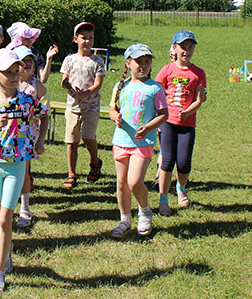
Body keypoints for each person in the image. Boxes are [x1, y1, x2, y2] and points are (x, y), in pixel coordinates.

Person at [0, 49, 47, 293]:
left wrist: (39, 141)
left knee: (5, 218)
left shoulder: (27, 101)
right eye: (9, 72)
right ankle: (6, 251)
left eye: (17, 71)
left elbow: (44, 115)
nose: (15, 76)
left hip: (17, 165)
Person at [107, 44, 169, 238]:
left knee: (134, 182)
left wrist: (149, 127)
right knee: (121, 183)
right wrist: (115, 117)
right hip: (121, 141)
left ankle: (144, 212)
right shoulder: (120, 86)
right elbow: (112, 109)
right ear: (128, 63)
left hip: (143, 143)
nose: (143, 65)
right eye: (138, 61)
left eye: (147, 61)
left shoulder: (155, 88)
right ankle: (125, 220)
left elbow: (164, 114)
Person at [154, 30, 207, 214]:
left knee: (184, 162)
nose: (187, 51)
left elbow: (199, 99)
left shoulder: (198, 73)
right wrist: (158, 118)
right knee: (167, 160)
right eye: (183, 47)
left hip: (187, 124)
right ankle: (163, 199)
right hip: (167, 122)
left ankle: (181, 188)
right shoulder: (167, 70)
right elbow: (156, 93)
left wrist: (188, 112)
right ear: (174, 48)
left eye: (190, 47)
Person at [59, 21, 106, 188]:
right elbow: (65, 79)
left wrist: (87, 93)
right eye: (83, 38)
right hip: (73, 107)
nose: (87, 41)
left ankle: (95, 161)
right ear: (75, 39)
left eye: (90, 38)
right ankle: (71, 174)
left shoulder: (97, 61)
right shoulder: (69, 60)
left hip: (91, 107)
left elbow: (98, 84)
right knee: (71, 141)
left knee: (87, 136)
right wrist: (65, 83)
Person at [13, 45, 50, 228]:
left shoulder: (37, 86)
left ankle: (25, 208)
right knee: (11, 170)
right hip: (8, 134)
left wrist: (40, 140)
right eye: (23, 61)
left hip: (28, 134)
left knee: (24, 171)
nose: (27, 64)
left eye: (30, 61)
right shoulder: (9, 84)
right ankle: (8, 205)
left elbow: (45, 114)